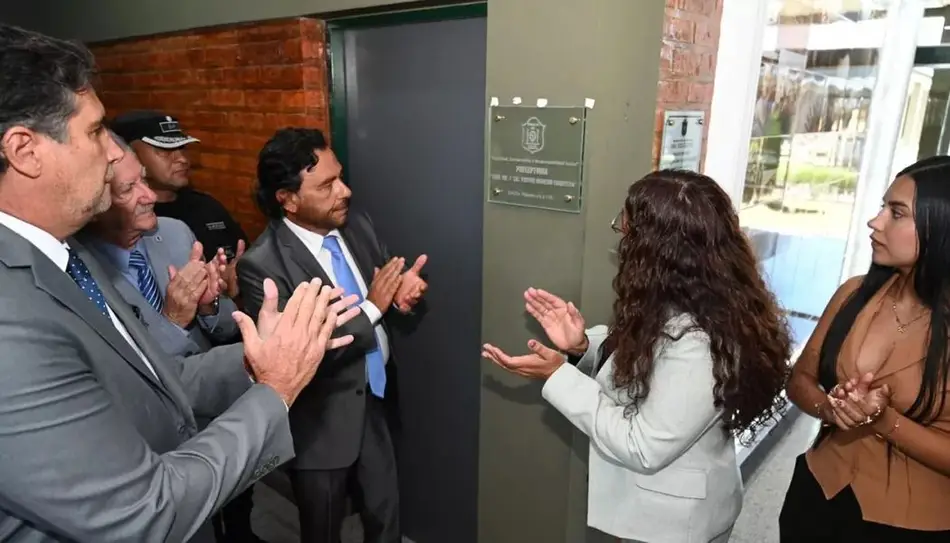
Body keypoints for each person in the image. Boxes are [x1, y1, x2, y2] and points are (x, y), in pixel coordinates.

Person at [0, 24, 358, 542]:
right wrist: (276, 391)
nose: (115, 155)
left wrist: (265, 355)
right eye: (97, 132)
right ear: (24, 150)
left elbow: (163, 379)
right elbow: (141, 514)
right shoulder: (12, 321)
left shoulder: (63, 252)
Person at [482, 169, 792, 543]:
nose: (621, 238)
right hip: (655, 513)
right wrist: (581, 346)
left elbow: (642, 444)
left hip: (675, 526)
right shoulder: (690, 298)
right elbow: (649, 364)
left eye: (626, 230)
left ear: (655, 249)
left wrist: (558, 377)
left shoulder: (703, 340)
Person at [237, 128, 428, 543]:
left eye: (340, 176)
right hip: (320, 426)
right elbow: (303, 354)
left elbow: (379, 284)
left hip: (374, 402)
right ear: (286, 198)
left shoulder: (357, 225)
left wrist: (399, 297)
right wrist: (375, 306)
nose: (345, 191)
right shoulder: (262, 266)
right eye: (326, 185)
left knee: (385, 518)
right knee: (321, 530)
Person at [78, 133, 266, 543]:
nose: (149, 196)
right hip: (155, 440)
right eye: (129, 189)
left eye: (144, 179)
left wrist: (209, 306)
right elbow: (138, 374)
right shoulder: (79, 269)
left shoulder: (177, 233)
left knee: (233, 508)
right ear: (94, 205)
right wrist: (173, 318)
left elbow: (220, 329)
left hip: (213, 408)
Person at [780, 156, 950, 542]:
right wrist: (832, 409)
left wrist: (883, 421)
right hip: (817, 496)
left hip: (912, 525)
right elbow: (800, 380)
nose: (875, 222)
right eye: (882, 208)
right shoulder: (855, 294)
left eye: (896, 213)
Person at [110, 109, 248, 274]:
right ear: (128, 153)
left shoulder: (208, 208)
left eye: (182, 148)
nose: (182, 159)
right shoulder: (121, 220)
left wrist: (236, 286)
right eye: (164, 151)